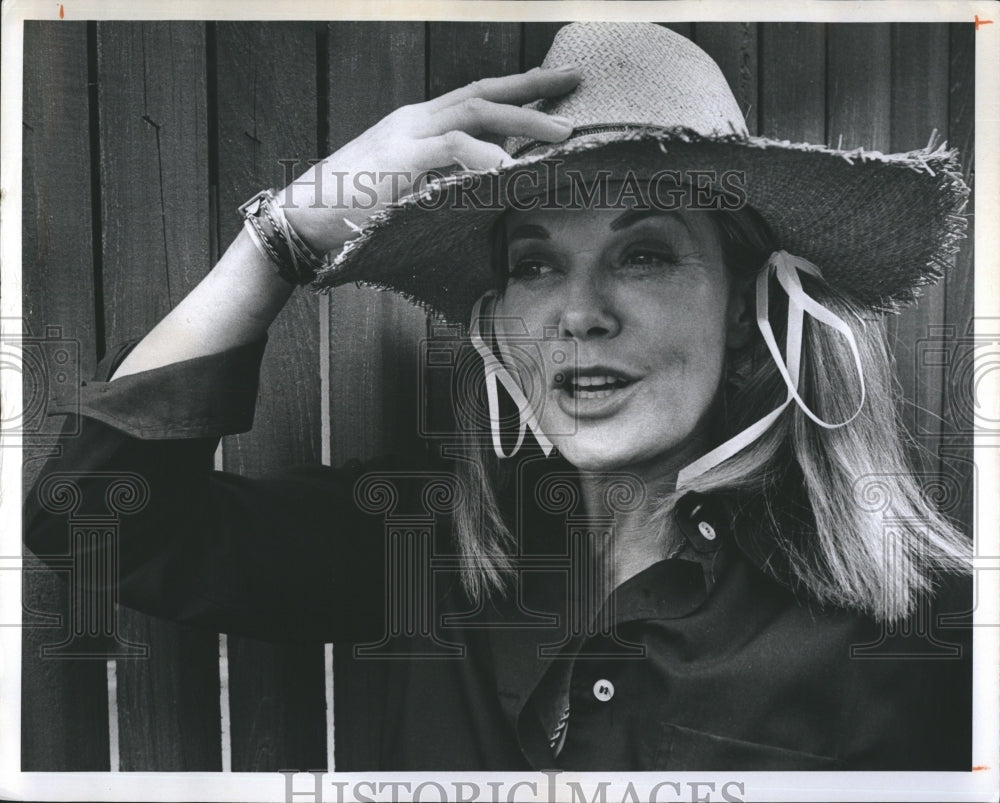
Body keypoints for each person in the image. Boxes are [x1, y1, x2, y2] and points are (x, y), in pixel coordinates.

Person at [24, 22, 973, 771]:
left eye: (643, 254)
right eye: (534, 263)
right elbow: (99, 520)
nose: (578, 313)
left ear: (743, 304)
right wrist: (286, 238)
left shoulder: (913, 633)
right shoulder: (422, 547)